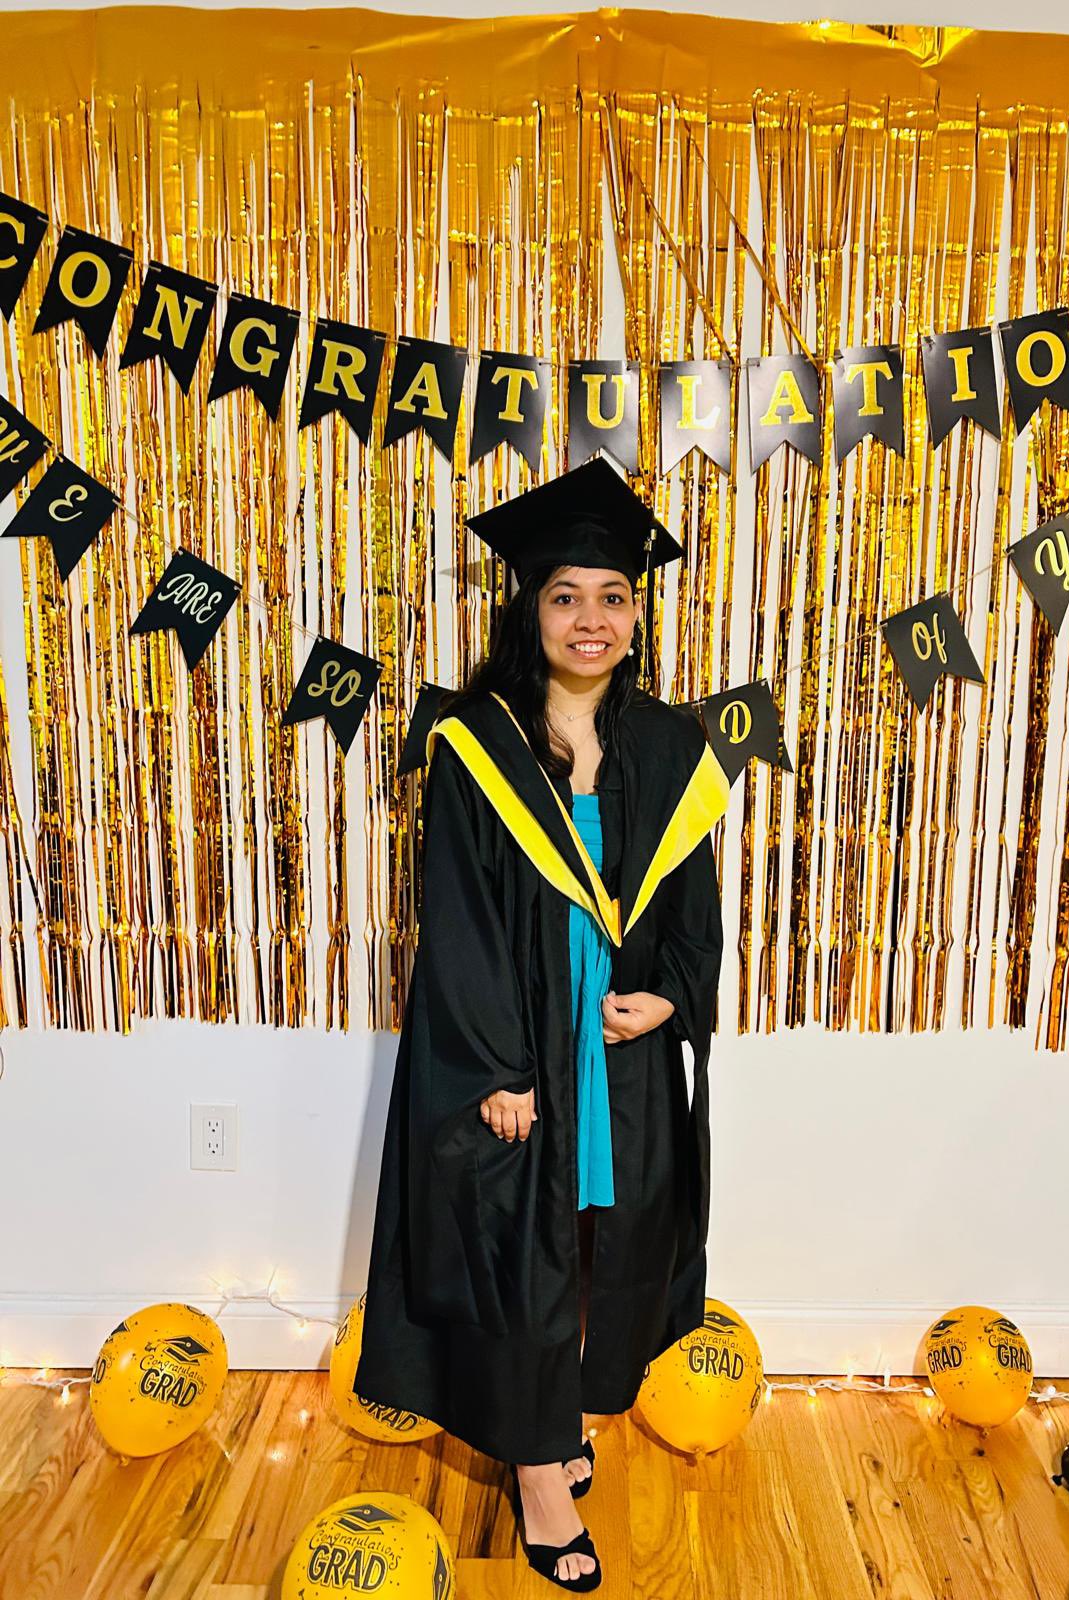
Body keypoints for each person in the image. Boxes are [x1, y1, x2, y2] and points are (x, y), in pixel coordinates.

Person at [353, 458, 727, 1591]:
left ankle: (561, 1414)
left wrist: (671, 991)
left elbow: (690, 900)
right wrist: (497, 1068)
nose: (591, 619)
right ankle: (536, 1476)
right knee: (522, 1254)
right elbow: (457, 915)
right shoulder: (476, 741)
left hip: (618, 1049)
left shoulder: (668, 746)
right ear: (529, 606)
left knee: (605, 1241)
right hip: (520, 1046)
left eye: (612, 596)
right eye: (566, 595)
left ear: (637, 612)